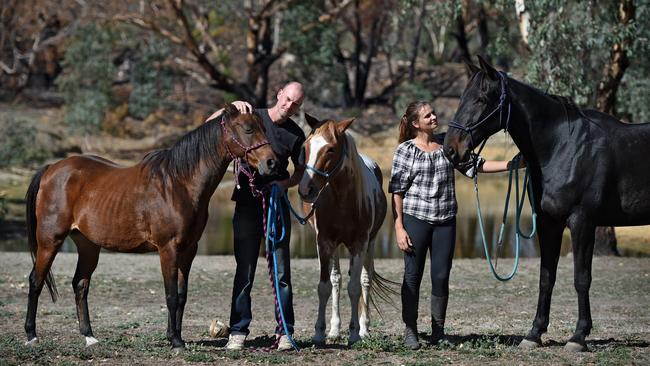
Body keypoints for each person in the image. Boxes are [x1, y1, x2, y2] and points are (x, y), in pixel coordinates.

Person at [389, 101, 523, 350]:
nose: (434, 117)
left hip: (446, 221)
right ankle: (410, 332)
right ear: (416, 123)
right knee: (412, 276)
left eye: (433, 113)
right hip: (416, 220)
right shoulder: (405, 151)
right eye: (427, 115)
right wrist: (399, 226)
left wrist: (511, 165)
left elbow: (477, 164)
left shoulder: (449, 143)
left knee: (441, 277)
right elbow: (396, 191)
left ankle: (438, 332)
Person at [207, 82, 306, 351]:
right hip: (247, 204)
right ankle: (238, 331)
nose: (289, 106)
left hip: (276, 204)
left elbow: (300, 170)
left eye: (295, 103)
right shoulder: (252, 117)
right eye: (287, 99)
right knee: (245, 270)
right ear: (279, 95)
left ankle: (285, 332)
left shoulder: (296, 135)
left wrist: (284, 185)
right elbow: (210, 124)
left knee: (281, 272)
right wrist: (230, 108)